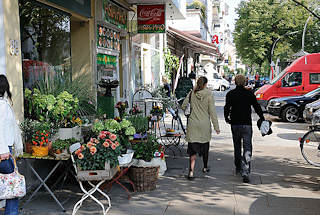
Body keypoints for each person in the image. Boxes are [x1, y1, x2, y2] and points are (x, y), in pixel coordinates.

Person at [224, 74, 265, 183]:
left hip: (235, 124)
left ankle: (238, 167)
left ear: (235, 82)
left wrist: (227, 118)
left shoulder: (230, 94)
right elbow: (256, 106)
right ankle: (245, 171)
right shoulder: (249, 94)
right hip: (247, 124)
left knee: (237, 146)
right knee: (247, 147)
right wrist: (262, 117)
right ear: (244, 82)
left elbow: (227, 107)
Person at [181, 76, 220, 180]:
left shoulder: (192, 93)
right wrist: (216, 127)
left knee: (192, 150)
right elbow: (212, 112)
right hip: (204, 125)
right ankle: (205, 167)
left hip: (193, 124)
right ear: (205, 84)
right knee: (205, 147)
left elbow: (183, 106)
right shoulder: (209, 94)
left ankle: (191, 172)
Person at [0, 74, 23, 215]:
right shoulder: (2, 106)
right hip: (3, 151)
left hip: (5, 150)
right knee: (13, 187)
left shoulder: (4, 104)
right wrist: (3, 150)